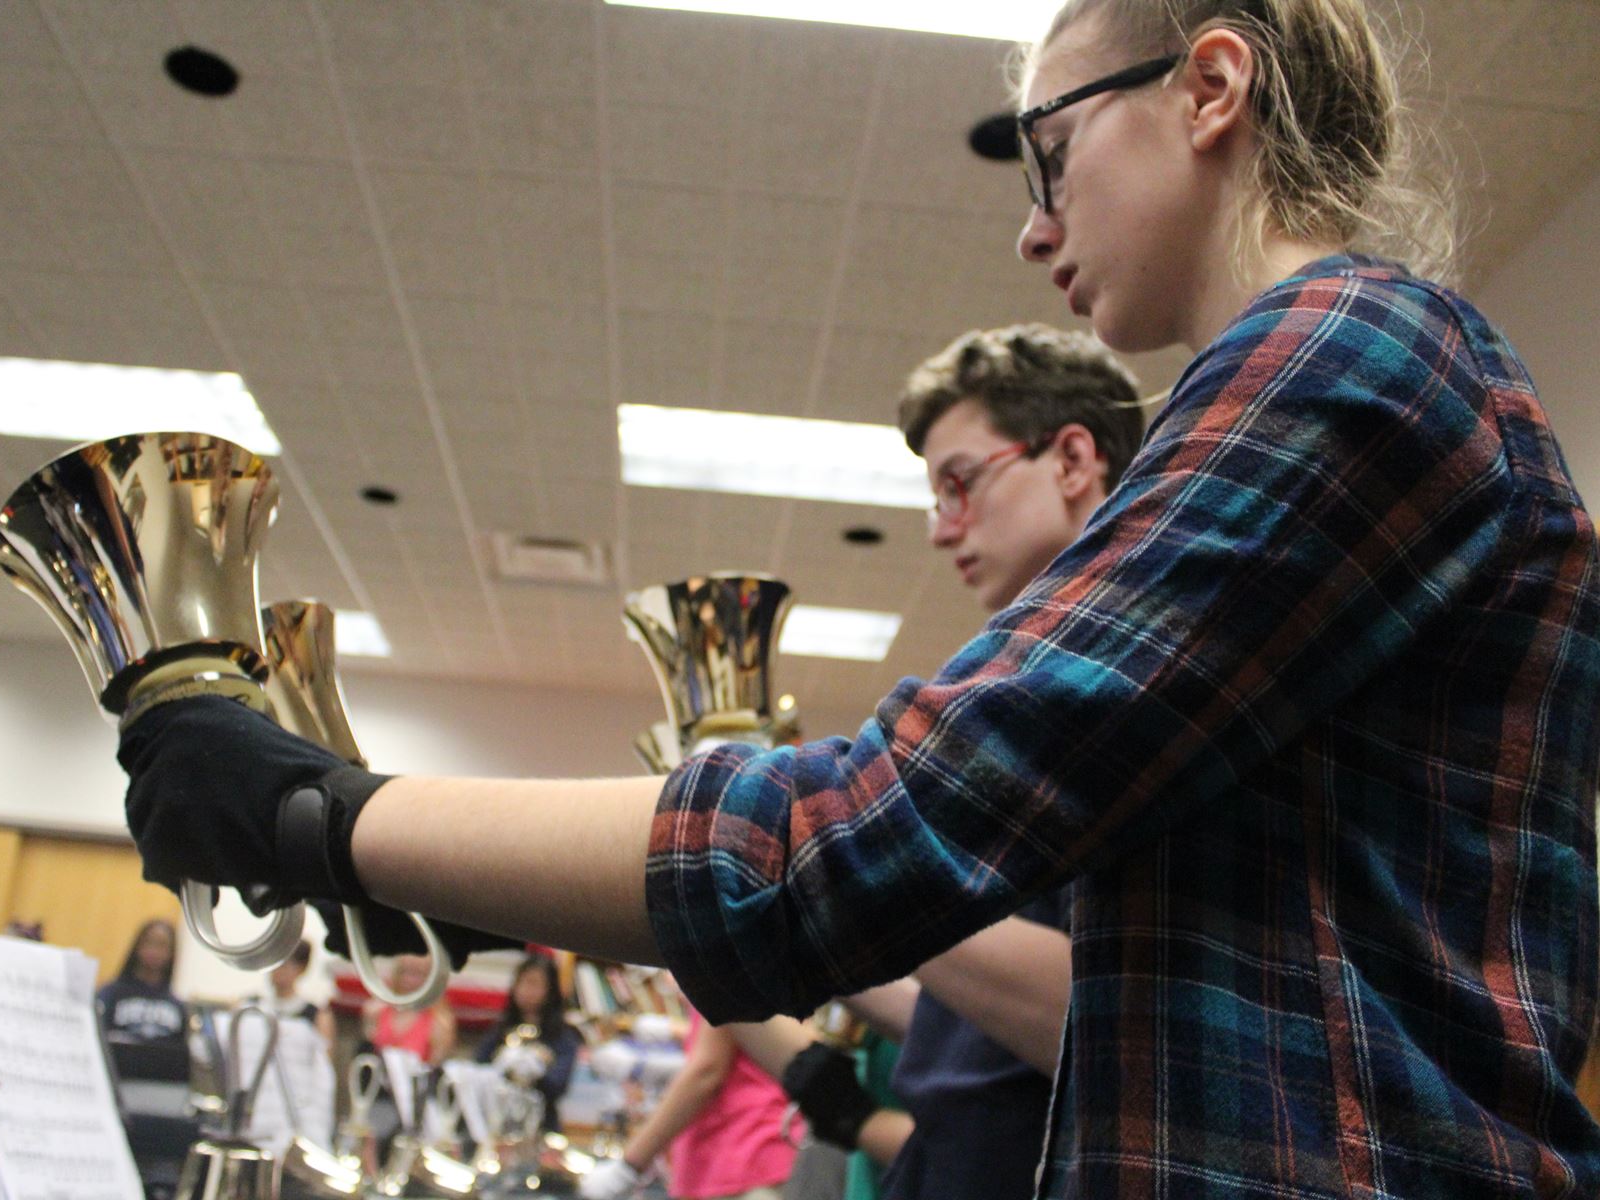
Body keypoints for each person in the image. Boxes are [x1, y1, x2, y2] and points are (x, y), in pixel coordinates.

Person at [116, 1, 1600, 1193]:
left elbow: (865, 837)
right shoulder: (1330, 372)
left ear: (1210, 87)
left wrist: (315, 813)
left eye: (1049, 154)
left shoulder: (1351, 351)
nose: (1033, 229)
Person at [761, 325, 1145, 1200]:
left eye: (960, 483)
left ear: (1073, 460)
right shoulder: (1037, 678)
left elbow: (1107, 1019)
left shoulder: (1125, 680)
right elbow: (976, 1035)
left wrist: (845, 867)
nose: (943, 530)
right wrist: (821, 928)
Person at [580, 1003, 796, 1200]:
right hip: (743, 1160)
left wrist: (628, 1167)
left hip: (745, 1157)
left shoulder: (723, 977)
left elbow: (706, 1072)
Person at [471, 954, 583, 1131]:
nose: (526, 991)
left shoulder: (563, 1036)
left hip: (541, 1123)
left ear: (550, 990)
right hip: (497, 1118)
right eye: (521, 983)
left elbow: (558, 1084)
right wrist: (505, 1066)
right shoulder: (501, 1029)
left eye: (534, 984)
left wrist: (535, 1070)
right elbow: (478, 1067)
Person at [97, 918, 186, 1045]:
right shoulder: (110, 995)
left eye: (162, 945)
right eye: (150, 942)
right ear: (138, 946)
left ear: (171, 953)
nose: (154, 951)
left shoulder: (177, 1007)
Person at [364, 953, 456, 1066]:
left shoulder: (440, 1021)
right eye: (404, 972)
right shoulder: (375, 1010)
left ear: (431, 979)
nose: (408, 980)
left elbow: (435, 1067)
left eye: (418, 974)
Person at [265, 938, 335, 1044]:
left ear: (302, 968)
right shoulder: (252, 1004)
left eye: (285, 965)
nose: (277, 970)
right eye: (273, 963)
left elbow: (324, 1052)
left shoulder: (317, 1015)